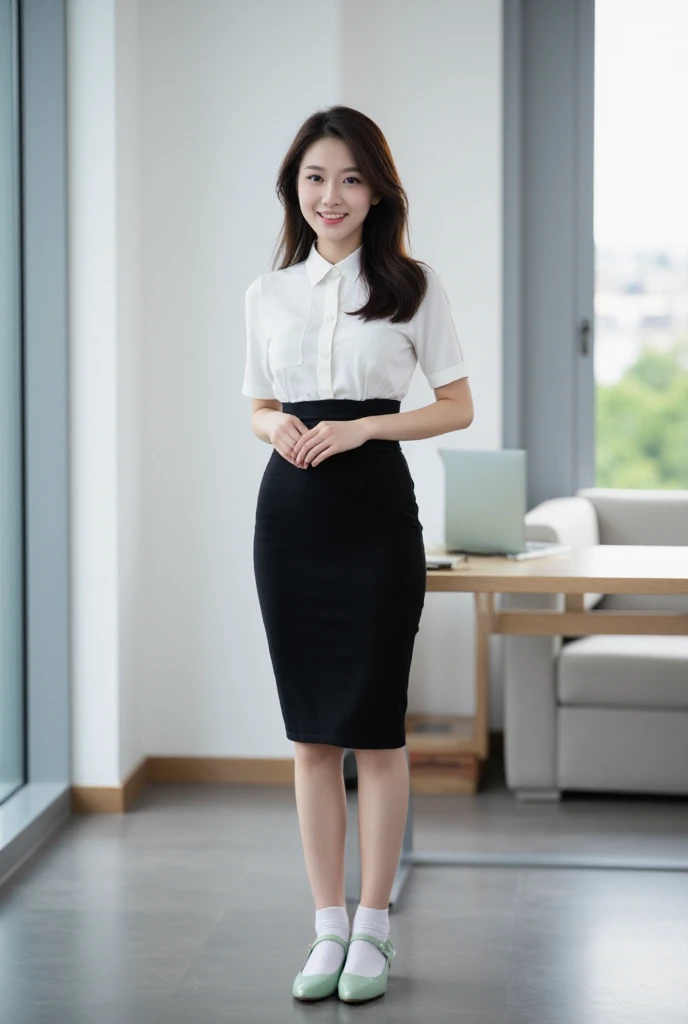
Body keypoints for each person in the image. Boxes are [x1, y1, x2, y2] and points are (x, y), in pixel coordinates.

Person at [241, 105, 474, 1005]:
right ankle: (326, 928)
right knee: (310, 735)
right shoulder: (266, 294)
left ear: (377, 191)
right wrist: (280, 430)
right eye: (314, 178)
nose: (329, 195)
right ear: (294, 191)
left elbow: (455, 405)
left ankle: (372, 927)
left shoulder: (414, 285)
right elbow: (254, 406)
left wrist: (366, 427)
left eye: (347, 178)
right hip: (290, 514)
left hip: (375, 512)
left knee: (374, 730)